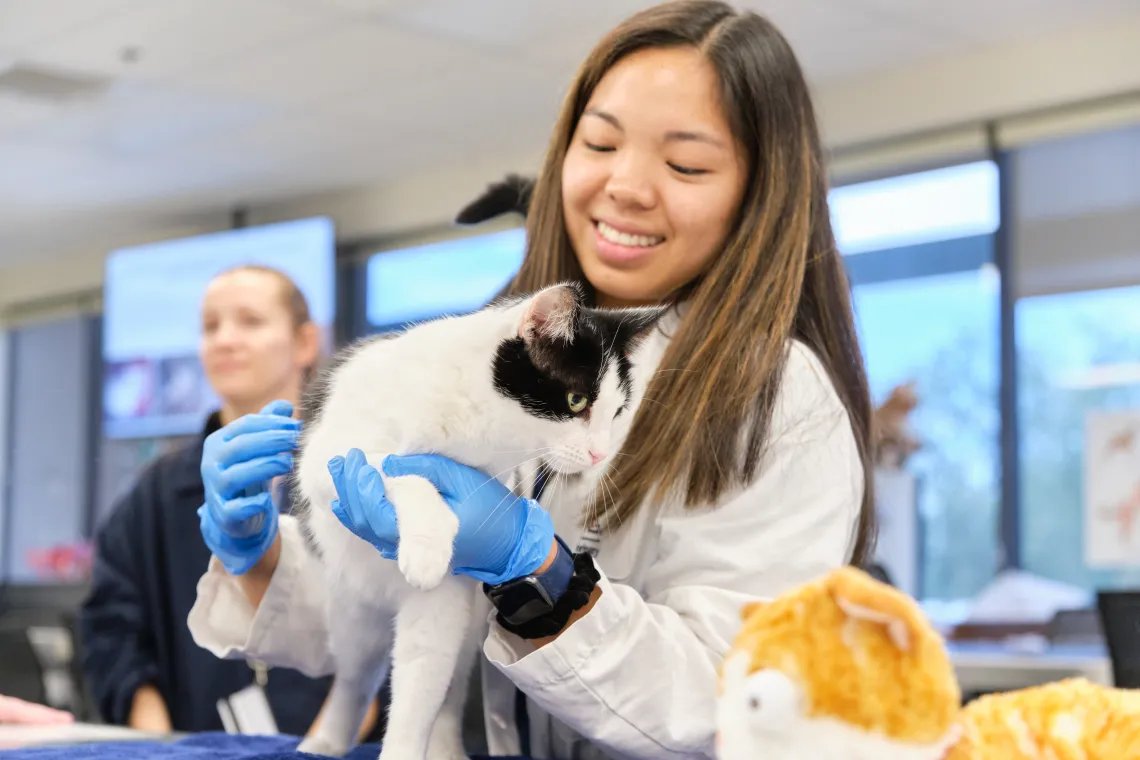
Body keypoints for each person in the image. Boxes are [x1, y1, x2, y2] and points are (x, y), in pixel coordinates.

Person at [188, 2, 875, 759]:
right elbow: (403, 602)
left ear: (759, 195)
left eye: (685, 165)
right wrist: (266, 557)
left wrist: (543, 575)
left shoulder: (777, 397)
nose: (626, 185)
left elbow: (733, 695)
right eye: (600, 142)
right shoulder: (514, 347)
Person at [79, 266, 371, 738]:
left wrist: (327, 747)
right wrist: (162, 744)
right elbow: (112, 629)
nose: (225, 340)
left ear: (303, 342)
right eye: (210, 326)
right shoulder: (156, 492)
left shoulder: (357, 472)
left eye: (251, 321)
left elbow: (391, 635)